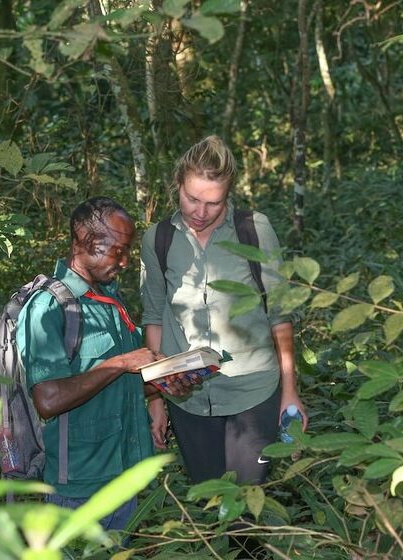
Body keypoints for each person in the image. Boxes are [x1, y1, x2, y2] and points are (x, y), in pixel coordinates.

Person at [140, 135, 308, 485]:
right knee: (210, 497)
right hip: (187, 398)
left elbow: (280, 315)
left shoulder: (254, 230)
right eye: (192, 199)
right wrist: (156, 397)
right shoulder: (158, 239)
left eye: (213, 203)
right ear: (177, 184)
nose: (200, 213)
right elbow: (154, 316)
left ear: (228, 195)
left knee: (245, 501)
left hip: (254, 391)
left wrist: (290, 392)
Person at [16, 196, 185, 531]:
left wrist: (164, 383)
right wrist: (121, 362)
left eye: (127, 251)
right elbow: (48, 400)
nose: (124, 261)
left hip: (124, 473)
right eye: (117, 251)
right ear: (87, 242)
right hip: (80, 487)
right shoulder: (48, 307)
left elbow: (117, 386)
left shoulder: (109, 302)